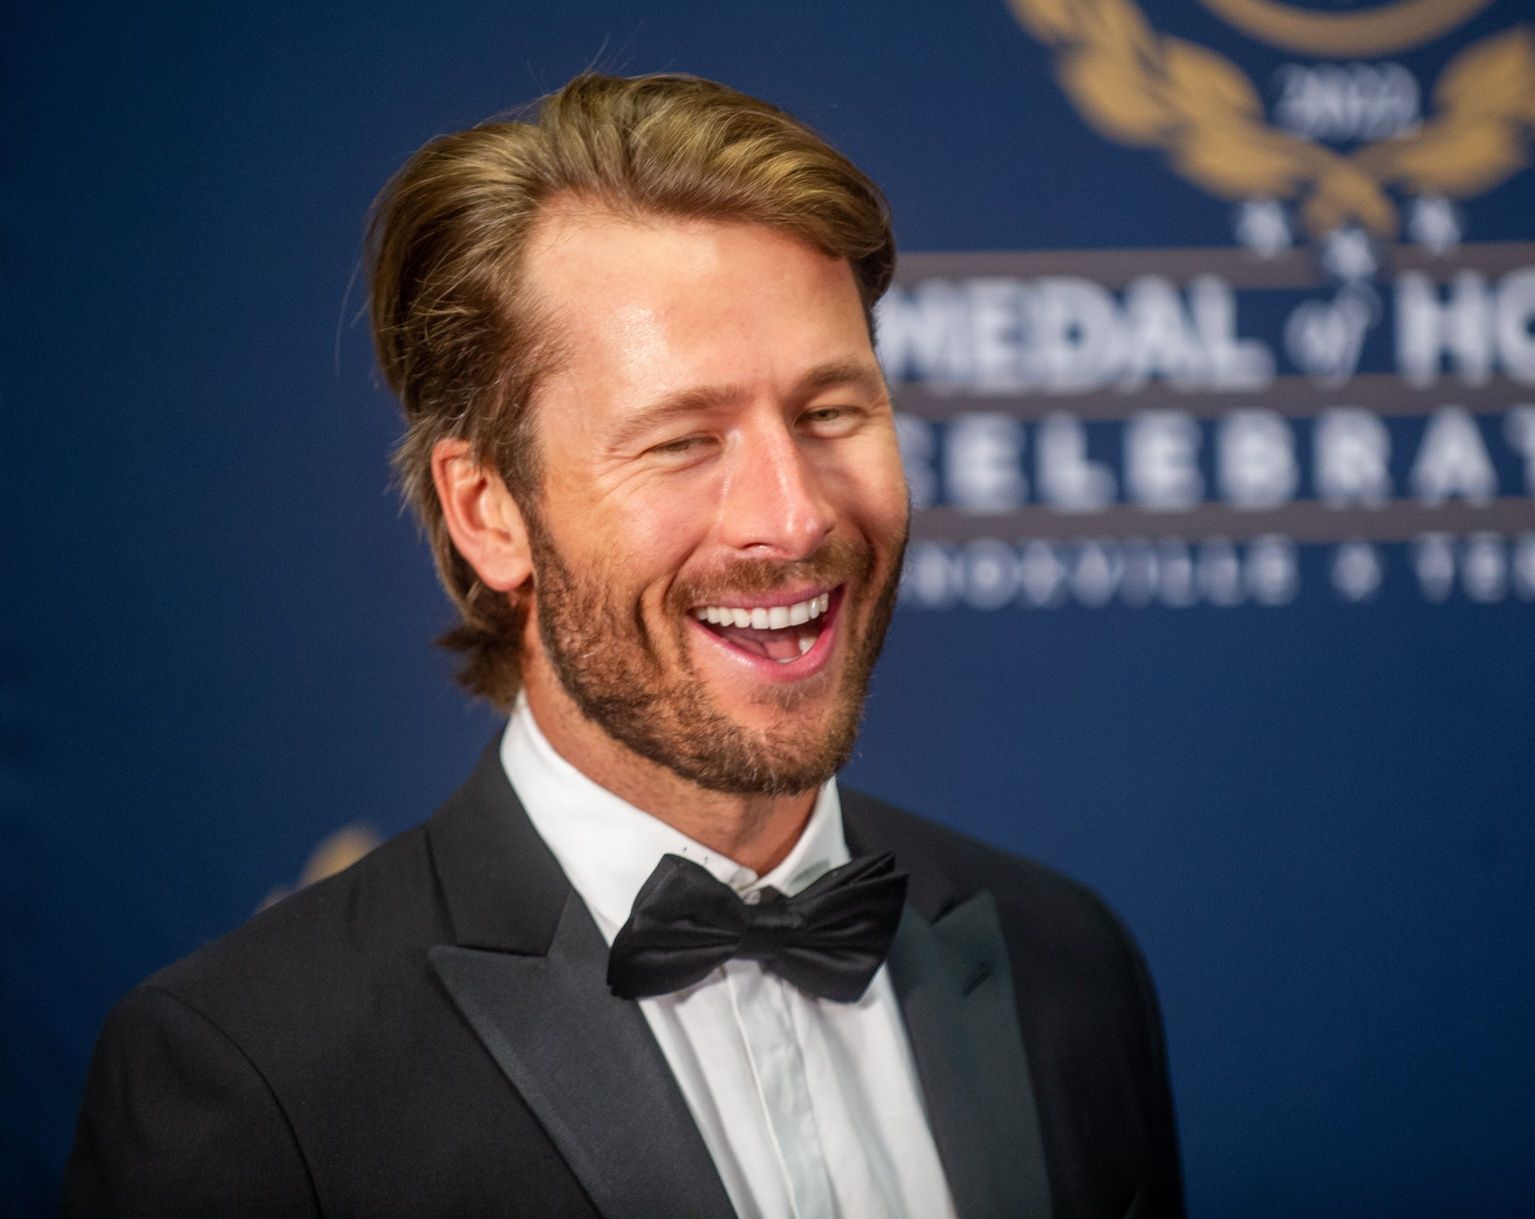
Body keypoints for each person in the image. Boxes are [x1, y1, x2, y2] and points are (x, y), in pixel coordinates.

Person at [64, 72, 1182, 1219]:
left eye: (830, 413)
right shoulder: (252, 1072)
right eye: (682, 441)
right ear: (489, 509)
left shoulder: (1066, 966)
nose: (792, 516)